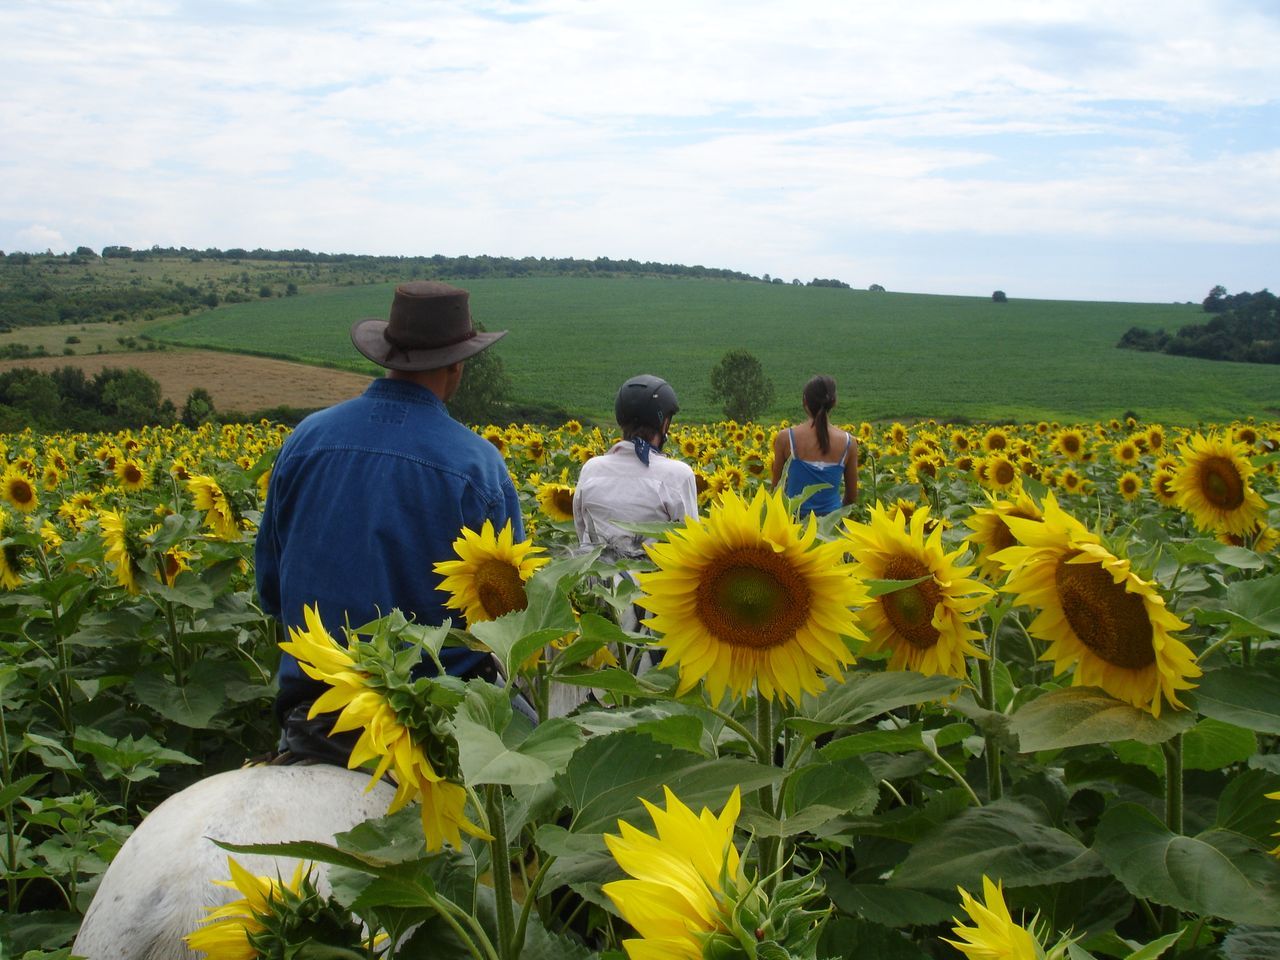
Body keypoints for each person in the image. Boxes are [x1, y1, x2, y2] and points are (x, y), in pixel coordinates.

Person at [255, 281, 524, 761]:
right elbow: (507, 623)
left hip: (316, 710)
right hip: (431, 723)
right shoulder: (478, 467)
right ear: (458, 364)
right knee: (539, 769)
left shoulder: (306, 439)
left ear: (387, 355)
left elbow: (271, 588)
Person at [573, 374, 699, 561]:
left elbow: (581, 529)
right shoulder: (677, 475)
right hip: (654, 586)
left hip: (595, 583)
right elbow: (690, 542)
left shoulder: (591, 469)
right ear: (664, 424)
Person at [770, 374, 858, 516]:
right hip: (830, 529)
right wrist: (833, 518)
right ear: (834, 402)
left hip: (794, 525)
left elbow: (776, 490)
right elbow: (852, 497)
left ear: (804, 401)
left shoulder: (786, 438)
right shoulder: (849, 443)